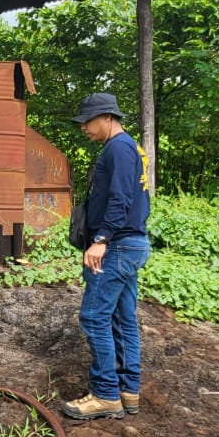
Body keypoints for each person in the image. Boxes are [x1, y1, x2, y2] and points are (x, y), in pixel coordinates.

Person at [62, 93, 152, 420]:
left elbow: (120, 198)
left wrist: (101, 239)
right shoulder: (129, 148)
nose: (83, 127)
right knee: (122, 317)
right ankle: (128, 390)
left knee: (94, 317)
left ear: (107, 117)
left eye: (88, 121)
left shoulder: (119, 148)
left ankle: (104, 394)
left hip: (117, 245)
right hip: (129, 244)